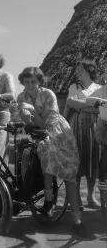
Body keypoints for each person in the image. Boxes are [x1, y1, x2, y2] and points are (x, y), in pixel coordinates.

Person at [17, 67, 90, 238]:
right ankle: (49, 200)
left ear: (39, 81)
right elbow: (29, 123)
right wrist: (24, 113)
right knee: (43, 155)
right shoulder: (21, 97)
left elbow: (45, 123)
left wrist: (33, 111)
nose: (30, 85)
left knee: (69, 175)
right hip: (41, 135)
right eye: (26, 82)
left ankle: (77, 220)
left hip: (59, 132)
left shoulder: (48, 94)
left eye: (33, 81)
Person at [64, 59, 101, 209]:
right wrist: (91, 104)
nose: (77, 72)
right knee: (77, 161)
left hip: (96, 128)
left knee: (93, 161)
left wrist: (83, 104)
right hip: (77, 128)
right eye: (77, 69)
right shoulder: (74, 87)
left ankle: (90, 196)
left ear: (89, 71)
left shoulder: (100, 87)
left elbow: (102, 108)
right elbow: (71, 103)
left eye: (81, 69)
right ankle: (77, 198)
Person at [85, 85, 107, 217]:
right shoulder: (102, 90)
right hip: (104, 127)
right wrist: (101, 100)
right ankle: (104, 204)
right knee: (104, 164)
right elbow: (88, 100)